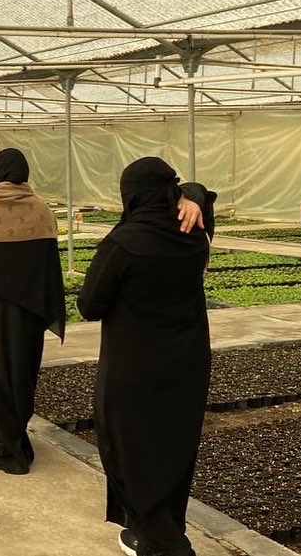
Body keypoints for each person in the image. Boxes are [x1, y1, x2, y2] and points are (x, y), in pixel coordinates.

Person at [78, 157, 215, 556]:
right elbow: (203, 199)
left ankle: (161, 542)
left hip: (134, 365)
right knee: (173, 447)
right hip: (187, 361)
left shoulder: (124, 243)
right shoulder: (194, 233)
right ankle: (159, 528)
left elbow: (89, 305)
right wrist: (193, 195)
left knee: (130, 450)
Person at [0, 148, 65, 474]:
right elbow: (49, 262)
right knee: (21, 373)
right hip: (29, 311)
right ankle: (17, 437)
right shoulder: (40, 209)